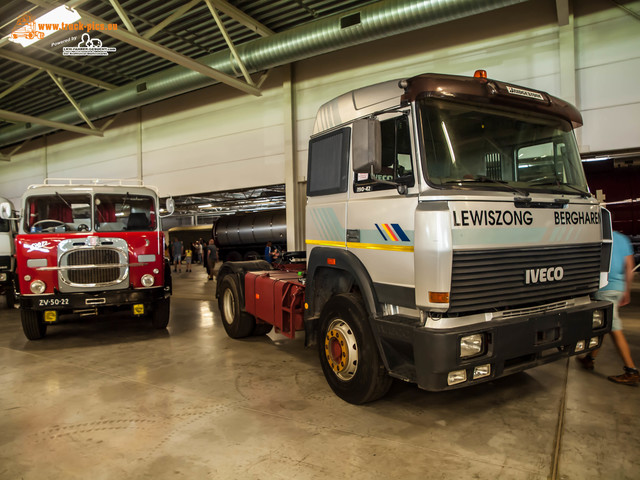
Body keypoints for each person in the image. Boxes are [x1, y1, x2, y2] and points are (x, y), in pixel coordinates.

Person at [577, 231, 639, 385]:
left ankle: (631, 370)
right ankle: (590, 359)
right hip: (618, 288)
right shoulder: (622, 238)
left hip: (604, 288)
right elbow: (629, 266)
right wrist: (626, 290)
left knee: (613, 327)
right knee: (603, 323)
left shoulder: (595, 235)